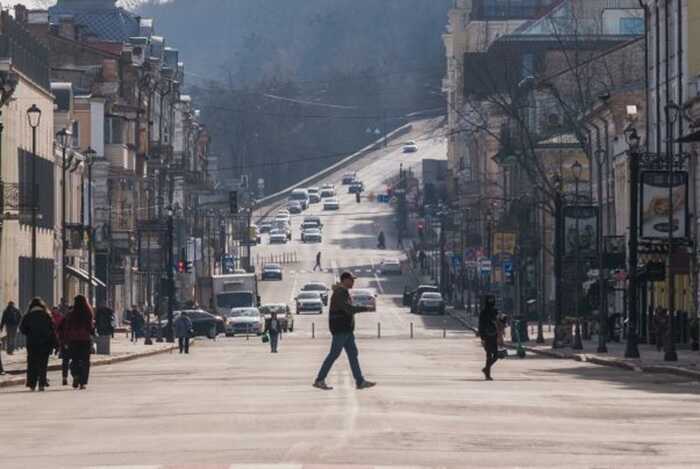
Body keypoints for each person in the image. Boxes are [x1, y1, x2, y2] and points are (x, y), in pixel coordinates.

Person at [313, 272, 375, 391]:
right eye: (351, 280)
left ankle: (360, 381)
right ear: (345, 280)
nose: (353, 282)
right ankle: (319, 380)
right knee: (334, 354)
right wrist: (366, 308)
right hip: (341, 329)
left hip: (346, 330)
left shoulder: (343, 292)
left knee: (353, 355)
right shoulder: (340, 293)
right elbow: (348, 309)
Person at [19, 298, 57, 392]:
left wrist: (29, 332)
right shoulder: (46, 315)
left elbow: (22, 328)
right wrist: (54, 342)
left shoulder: (28, 315)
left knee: (32, 363)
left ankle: (32, 384)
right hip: (45, 343)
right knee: (43, 364)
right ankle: (41, 384)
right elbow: (52, 328)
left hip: (32, 343)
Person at [58, 295, 95, 390]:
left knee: (75, 359)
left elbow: (67, 328)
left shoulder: (71, 314)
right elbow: (90, 327)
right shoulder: (88, 313)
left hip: (73, 340)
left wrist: (65, 340)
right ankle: (82, 382)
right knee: (85, 361)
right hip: (85, 339)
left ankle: (75, 375)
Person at [478, 295, 499, 381]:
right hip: (487, 336)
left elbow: (500, 321)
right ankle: (488, 374)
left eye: (492, 300)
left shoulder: (495, 311)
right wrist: (482, 337)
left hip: (494, 335)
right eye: (489, 300)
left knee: (497, 355)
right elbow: (481, 325)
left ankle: (486, 368)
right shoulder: (483, 312)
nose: (491, 302)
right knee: (489, 355)